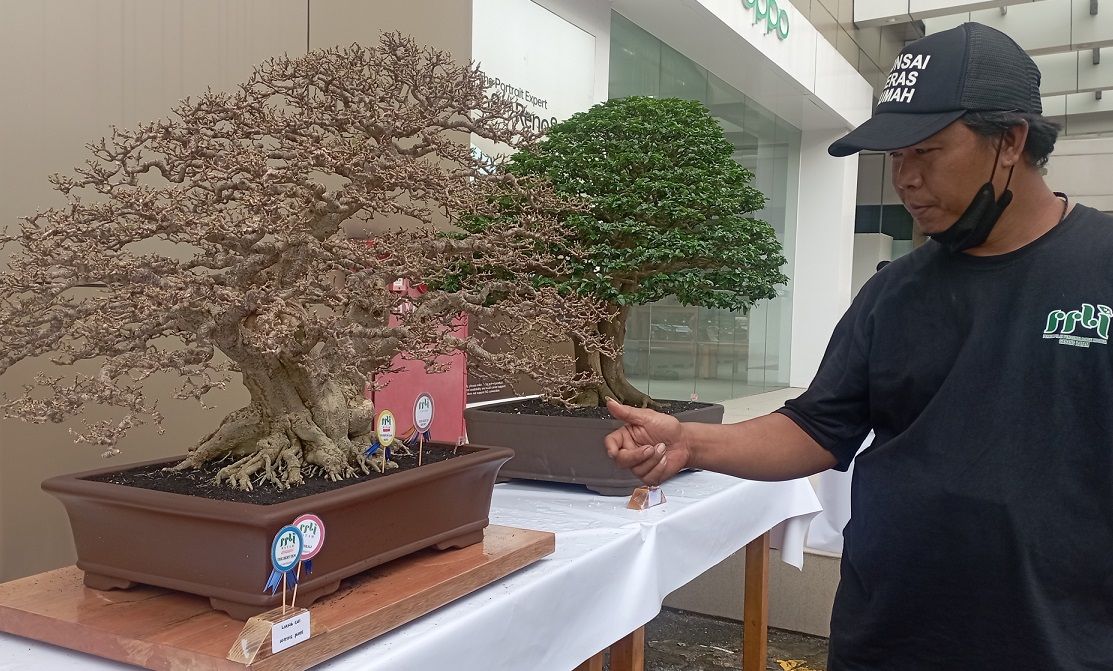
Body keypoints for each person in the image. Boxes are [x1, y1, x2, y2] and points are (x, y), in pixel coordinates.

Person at [604, 22, 1113, 670]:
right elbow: (819, 425)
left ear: (1009, 140)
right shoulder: (892, 291)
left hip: (1057, 643)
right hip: (888, 640)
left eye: (925, 151)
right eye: (894, 157)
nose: (904, 178)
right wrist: (690, 442)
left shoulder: (1100, 267)